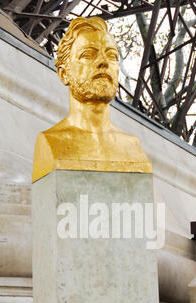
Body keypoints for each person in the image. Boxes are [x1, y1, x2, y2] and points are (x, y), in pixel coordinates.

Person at [32, 17, 152, 183]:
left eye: (111, 55)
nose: (103, 62)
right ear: (64, 74)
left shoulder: (132, 148)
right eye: (88, 55)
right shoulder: (50, 143)